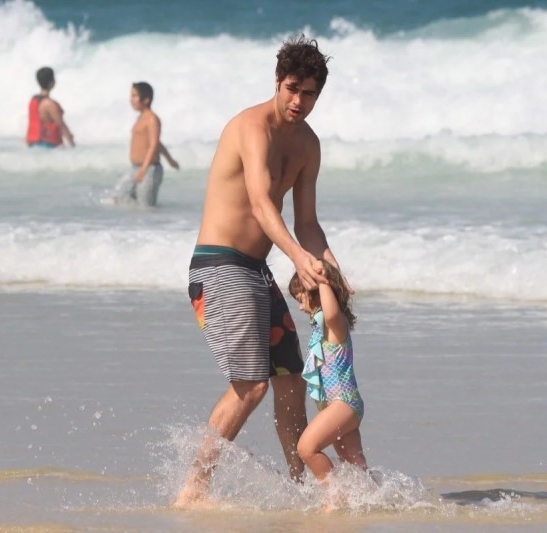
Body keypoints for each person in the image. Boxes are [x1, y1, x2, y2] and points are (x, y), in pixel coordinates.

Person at [174, 36, 339, 508]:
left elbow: (307, 222)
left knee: (290, 380)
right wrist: (298, 259)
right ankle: (193, 490)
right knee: (251, 385)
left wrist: (331, 271)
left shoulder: (307, 144)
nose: (299, 100)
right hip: (219, 266)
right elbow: (263, 205)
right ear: (277, 81)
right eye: (292, 88)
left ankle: (301, 489)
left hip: (255, 270)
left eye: (309, 93)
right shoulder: (251, 127)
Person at [288, 260, 367, 492]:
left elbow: (330, 312)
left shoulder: (335, 324)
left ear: (316, 292)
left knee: (306, 448)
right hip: (337, 405)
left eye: (301, 298)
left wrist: (322, 279)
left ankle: (334, 497)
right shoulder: (322, 329)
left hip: (343, 402)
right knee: (355, 466)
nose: (300, 307)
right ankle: (378, 500)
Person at [108, 82, 179, 207]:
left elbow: (154, 144)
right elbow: (158, 143)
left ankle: (157, 219)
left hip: (150, 169)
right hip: (136, 168)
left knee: (146, 207)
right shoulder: (140, 118)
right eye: (131, 96)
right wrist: (170, 160)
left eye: (135, 96)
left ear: (146, 99)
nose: (131, 99)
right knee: (117, 198)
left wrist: (144, 169)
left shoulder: (152, 119)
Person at [25, 67, 75, 148]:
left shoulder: (33, 101)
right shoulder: (50, 104)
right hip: (47, 146)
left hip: (33, 145)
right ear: (52, 82)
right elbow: (61, 125)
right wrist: (72, 144)